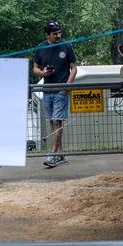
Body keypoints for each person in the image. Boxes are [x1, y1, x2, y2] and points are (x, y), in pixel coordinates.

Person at [33, 20, 77, 168]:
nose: (58, 35)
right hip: (47, 90)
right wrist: (43, 73)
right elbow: (35, 68)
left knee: (58, 121)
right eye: (55, 34)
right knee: (52, 122)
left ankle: (53, 154)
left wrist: (66, 86)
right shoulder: (40, 48)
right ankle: (60, 153)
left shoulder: (66, 46)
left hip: (61, 90)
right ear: (47, 35)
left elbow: (74, 68)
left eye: (59, 33)